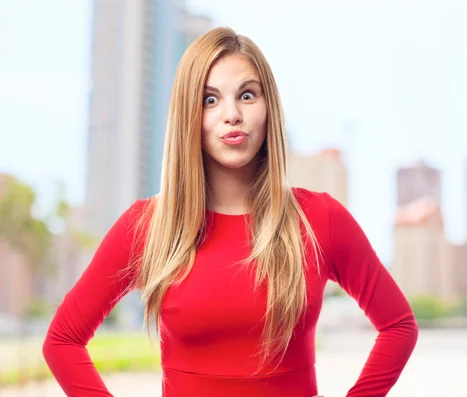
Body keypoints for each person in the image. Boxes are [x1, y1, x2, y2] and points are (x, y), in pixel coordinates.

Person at [42, 26, 418, 397]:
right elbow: (63, 340)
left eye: (248, 95)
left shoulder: (320, 218)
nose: (232, 114)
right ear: (188, 115)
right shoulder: (147, 226)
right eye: (210, 100)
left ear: (269, 107)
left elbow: (398, 326)